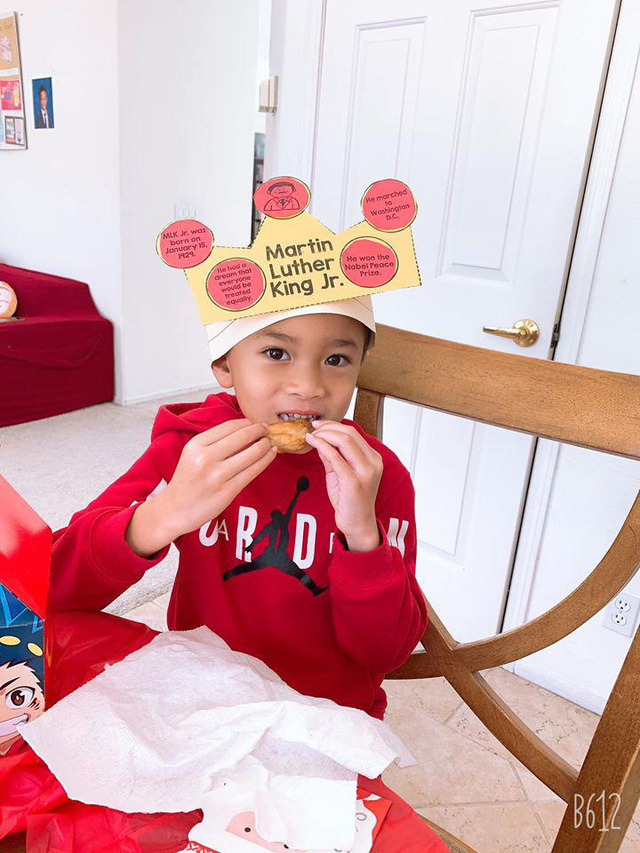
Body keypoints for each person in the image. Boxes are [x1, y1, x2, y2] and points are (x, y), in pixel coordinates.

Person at [49, 296, 427, 719]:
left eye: (336, 359)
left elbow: (387, 652)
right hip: (204, 692)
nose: (309, 386)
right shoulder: (190, 449)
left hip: (328, 711)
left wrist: (363, 538)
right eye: (277, 353)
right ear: (224, 364)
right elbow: (54, 587)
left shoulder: (376, 477)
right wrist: (162, 514)